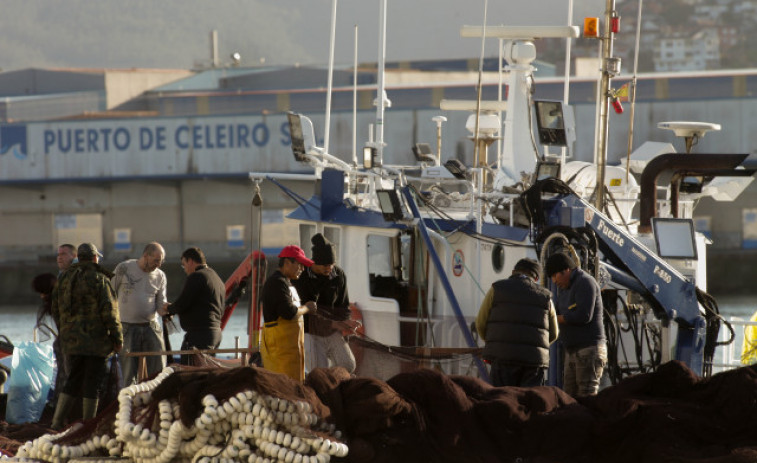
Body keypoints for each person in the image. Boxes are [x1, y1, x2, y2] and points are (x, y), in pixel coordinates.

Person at [50, 243, 122, 430]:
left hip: (71, 342)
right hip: (96, 343)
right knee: (92, 383)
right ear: (94, 258)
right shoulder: (100, 280)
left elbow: (55, 310)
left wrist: (65, 332)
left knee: (72, 380)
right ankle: (88, 425)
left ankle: (57, 422)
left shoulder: (64, 278)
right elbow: (110, 313)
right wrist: (117, 339)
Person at [475, 258, 559, 387]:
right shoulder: (546, 296)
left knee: (502, 400)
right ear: (536, 278)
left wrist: (495, 342)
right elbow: (554, 333)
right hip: (533, 363)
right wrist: (536, 347)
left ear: (513, 271)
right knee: (530, 403)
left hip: (502, 359)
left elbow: (480, 323)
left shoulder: (496, 288)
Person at [293, 233, 359, 373]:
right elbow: (304, 312)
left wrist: (347, 322)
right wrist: (333, 323)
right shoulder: (301, 277)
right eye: (325, 265)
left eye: (331, 264)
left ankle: (336, 385)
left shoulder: (339, 275)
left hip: (332, 331)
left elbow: (343, 305)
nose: (329, 268)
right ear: (313, 262)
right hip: (310, 332)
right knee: (319, 371)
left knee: (348, 364)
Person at [545, 252, 607, 396]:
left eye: (555, 276)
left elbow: (584, 316)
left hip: (589, 350)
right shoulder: (563, 289)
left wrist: (556, 319)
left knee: (586, 397)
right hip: (573, 351)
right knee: (570, 398)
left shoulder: (585, 282)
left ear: (566, 270)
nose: (554, 281)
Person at [112, 242, 167, 385]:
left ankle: (156, 400)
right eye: (156, 260)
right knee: (129, 373)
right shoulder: (124, 268)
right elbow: (110, 294)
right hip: (127, 327)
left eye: (161, 261)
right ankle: (129, 402)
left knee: (159, 369)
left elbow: (161, 305)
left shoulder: (160, 276)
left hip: (150, 325)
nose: (158, 265)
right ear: (145, 256)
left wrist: (169, 310)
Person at [260, 245, 317, 382]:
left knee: (295, 383)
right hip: (280, 351)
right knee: (282, 385)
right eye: (300, 265)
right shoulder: (276, 283)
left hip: (291, 350)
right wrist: (307, 308)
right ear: (286, 262)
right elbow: (289, 312)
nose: (302, 269)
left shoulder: (287, 283)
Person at [159, 247, 225, 365]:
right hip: (215, 333)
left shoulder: (197, 276)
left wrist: (168, 308)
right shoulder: (216, 277)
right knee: (206, 372)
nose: (184, 269)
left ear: (190, 261)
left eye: (184, 265)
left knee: (190, 373)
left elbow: (183, 303)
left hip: (199, 336)